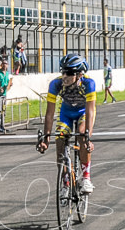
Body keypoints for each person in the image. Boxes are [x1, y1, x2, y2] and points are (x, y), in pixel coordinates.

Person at [37, 54, 97, 194]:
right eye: (63, 71)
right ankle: (65, 181)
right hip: (66, 113)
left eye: (69, 73)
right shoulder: (55, 84)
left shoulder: (89, 83)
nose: (64, 76)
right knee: (60, 138)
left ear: (79, 74)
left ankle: (86, 178)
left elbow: (90, 112)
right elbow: (50, 114)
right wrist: (46, 138)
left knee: (82, 135)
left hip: (83, 112)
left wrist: (88, 138)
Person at [0, 59, 12, 134]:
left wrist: (10, 85)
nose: (5, 65)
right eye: (3, 63)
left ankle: (2, 125)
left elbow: (7, 82)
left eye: (6, 64)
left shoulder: (7, 73)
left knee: (3, 110)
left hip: (4, 94)